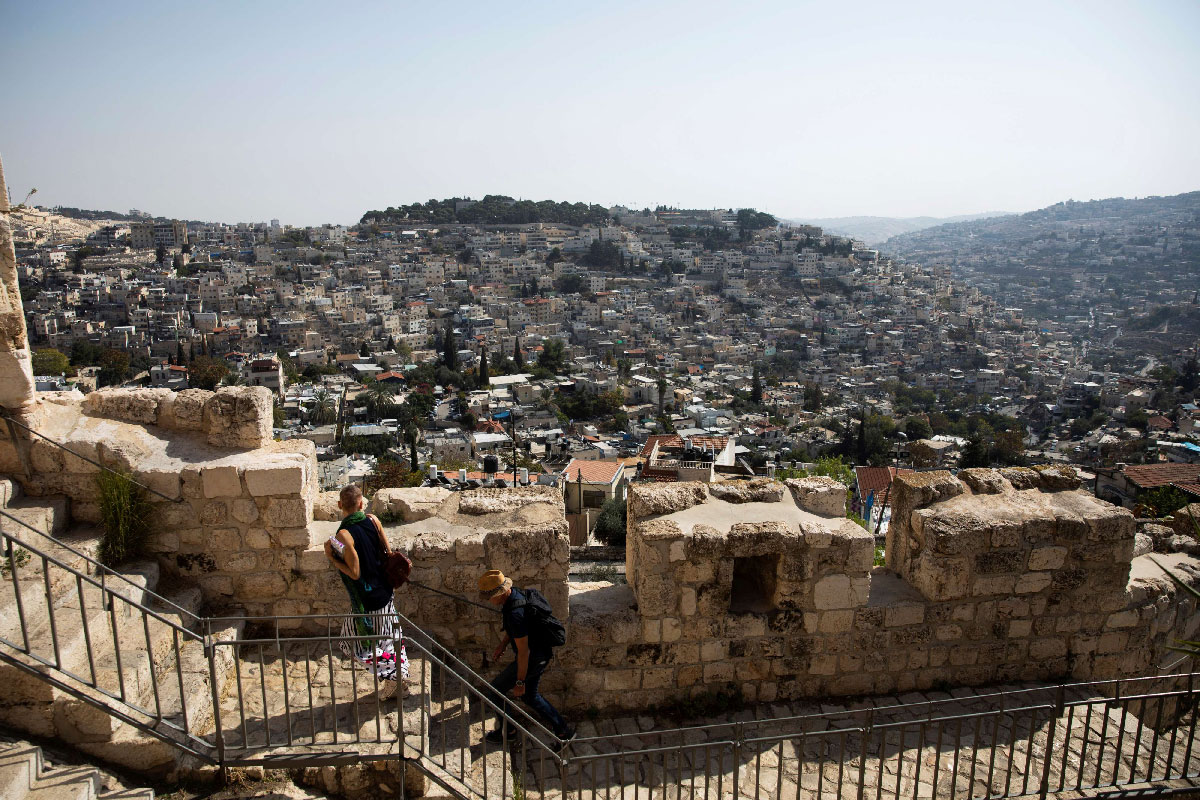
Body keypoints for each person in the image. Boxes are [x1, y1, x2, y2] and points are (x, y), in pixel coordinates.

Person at [478, 569, 574, 746]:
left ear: (500, 593)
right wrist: (503, 645)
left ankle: (508, 731)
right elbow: (516, 632)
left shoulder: (515, 613)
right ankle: (564, 731)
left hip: (533, 658)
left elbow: (523, 652)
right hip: (540, 654)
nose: (489, 601)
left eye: (490, 597)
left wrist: (520, 682)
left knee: (495, 690)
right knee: (530, 697)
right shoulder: (516, 596)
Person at [326, 485, 408, 684]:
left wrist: (332, 558)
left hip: (367, 600)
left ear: (339, 505)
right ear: (361, 504)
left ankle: (398, 673)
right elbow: (388, 555)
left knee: (352, 645)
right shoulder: (374, 520)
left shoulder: (343, 535)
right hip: (386, 592)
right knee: (389, 639)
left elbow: (354, 572)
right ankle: (396, 677)